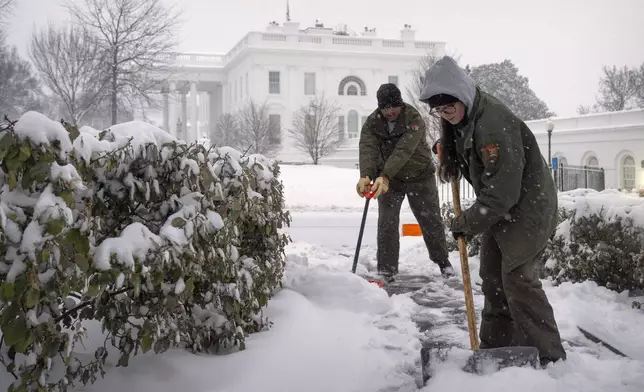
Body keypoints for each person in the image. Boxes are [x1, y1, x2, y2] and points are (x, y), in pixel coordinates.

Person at [418, 55, 567, 367]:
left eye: (448, 108)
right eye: (439, 111)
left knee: (518, 280)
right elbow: (469, 154)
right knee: (492, 277)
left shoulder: (493, 126)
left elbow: (503, 194)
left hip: (526, 210)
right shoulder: (465, 117)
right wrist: (446, 151)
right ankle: (495, 351)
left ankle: (550, 359)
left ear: (461, 96)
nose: (445, 115)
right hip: (500, 209)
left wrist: (466, 223)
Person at [356, 83, 455, 282]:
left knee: (430, 220)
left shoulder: (414, 119)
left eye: (394, 106)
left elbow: (403, 151)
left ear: (400, 104)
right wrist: (366, 175)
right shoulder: (373, 123)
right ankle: (387, 270)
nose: (390, 111)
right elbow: (368, 148)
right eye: (385, 108)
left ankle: (443, 262)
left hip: (419, 176)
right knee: (387, 222)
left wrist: (384, 176)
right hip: (390, 181)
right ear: (379, 108)